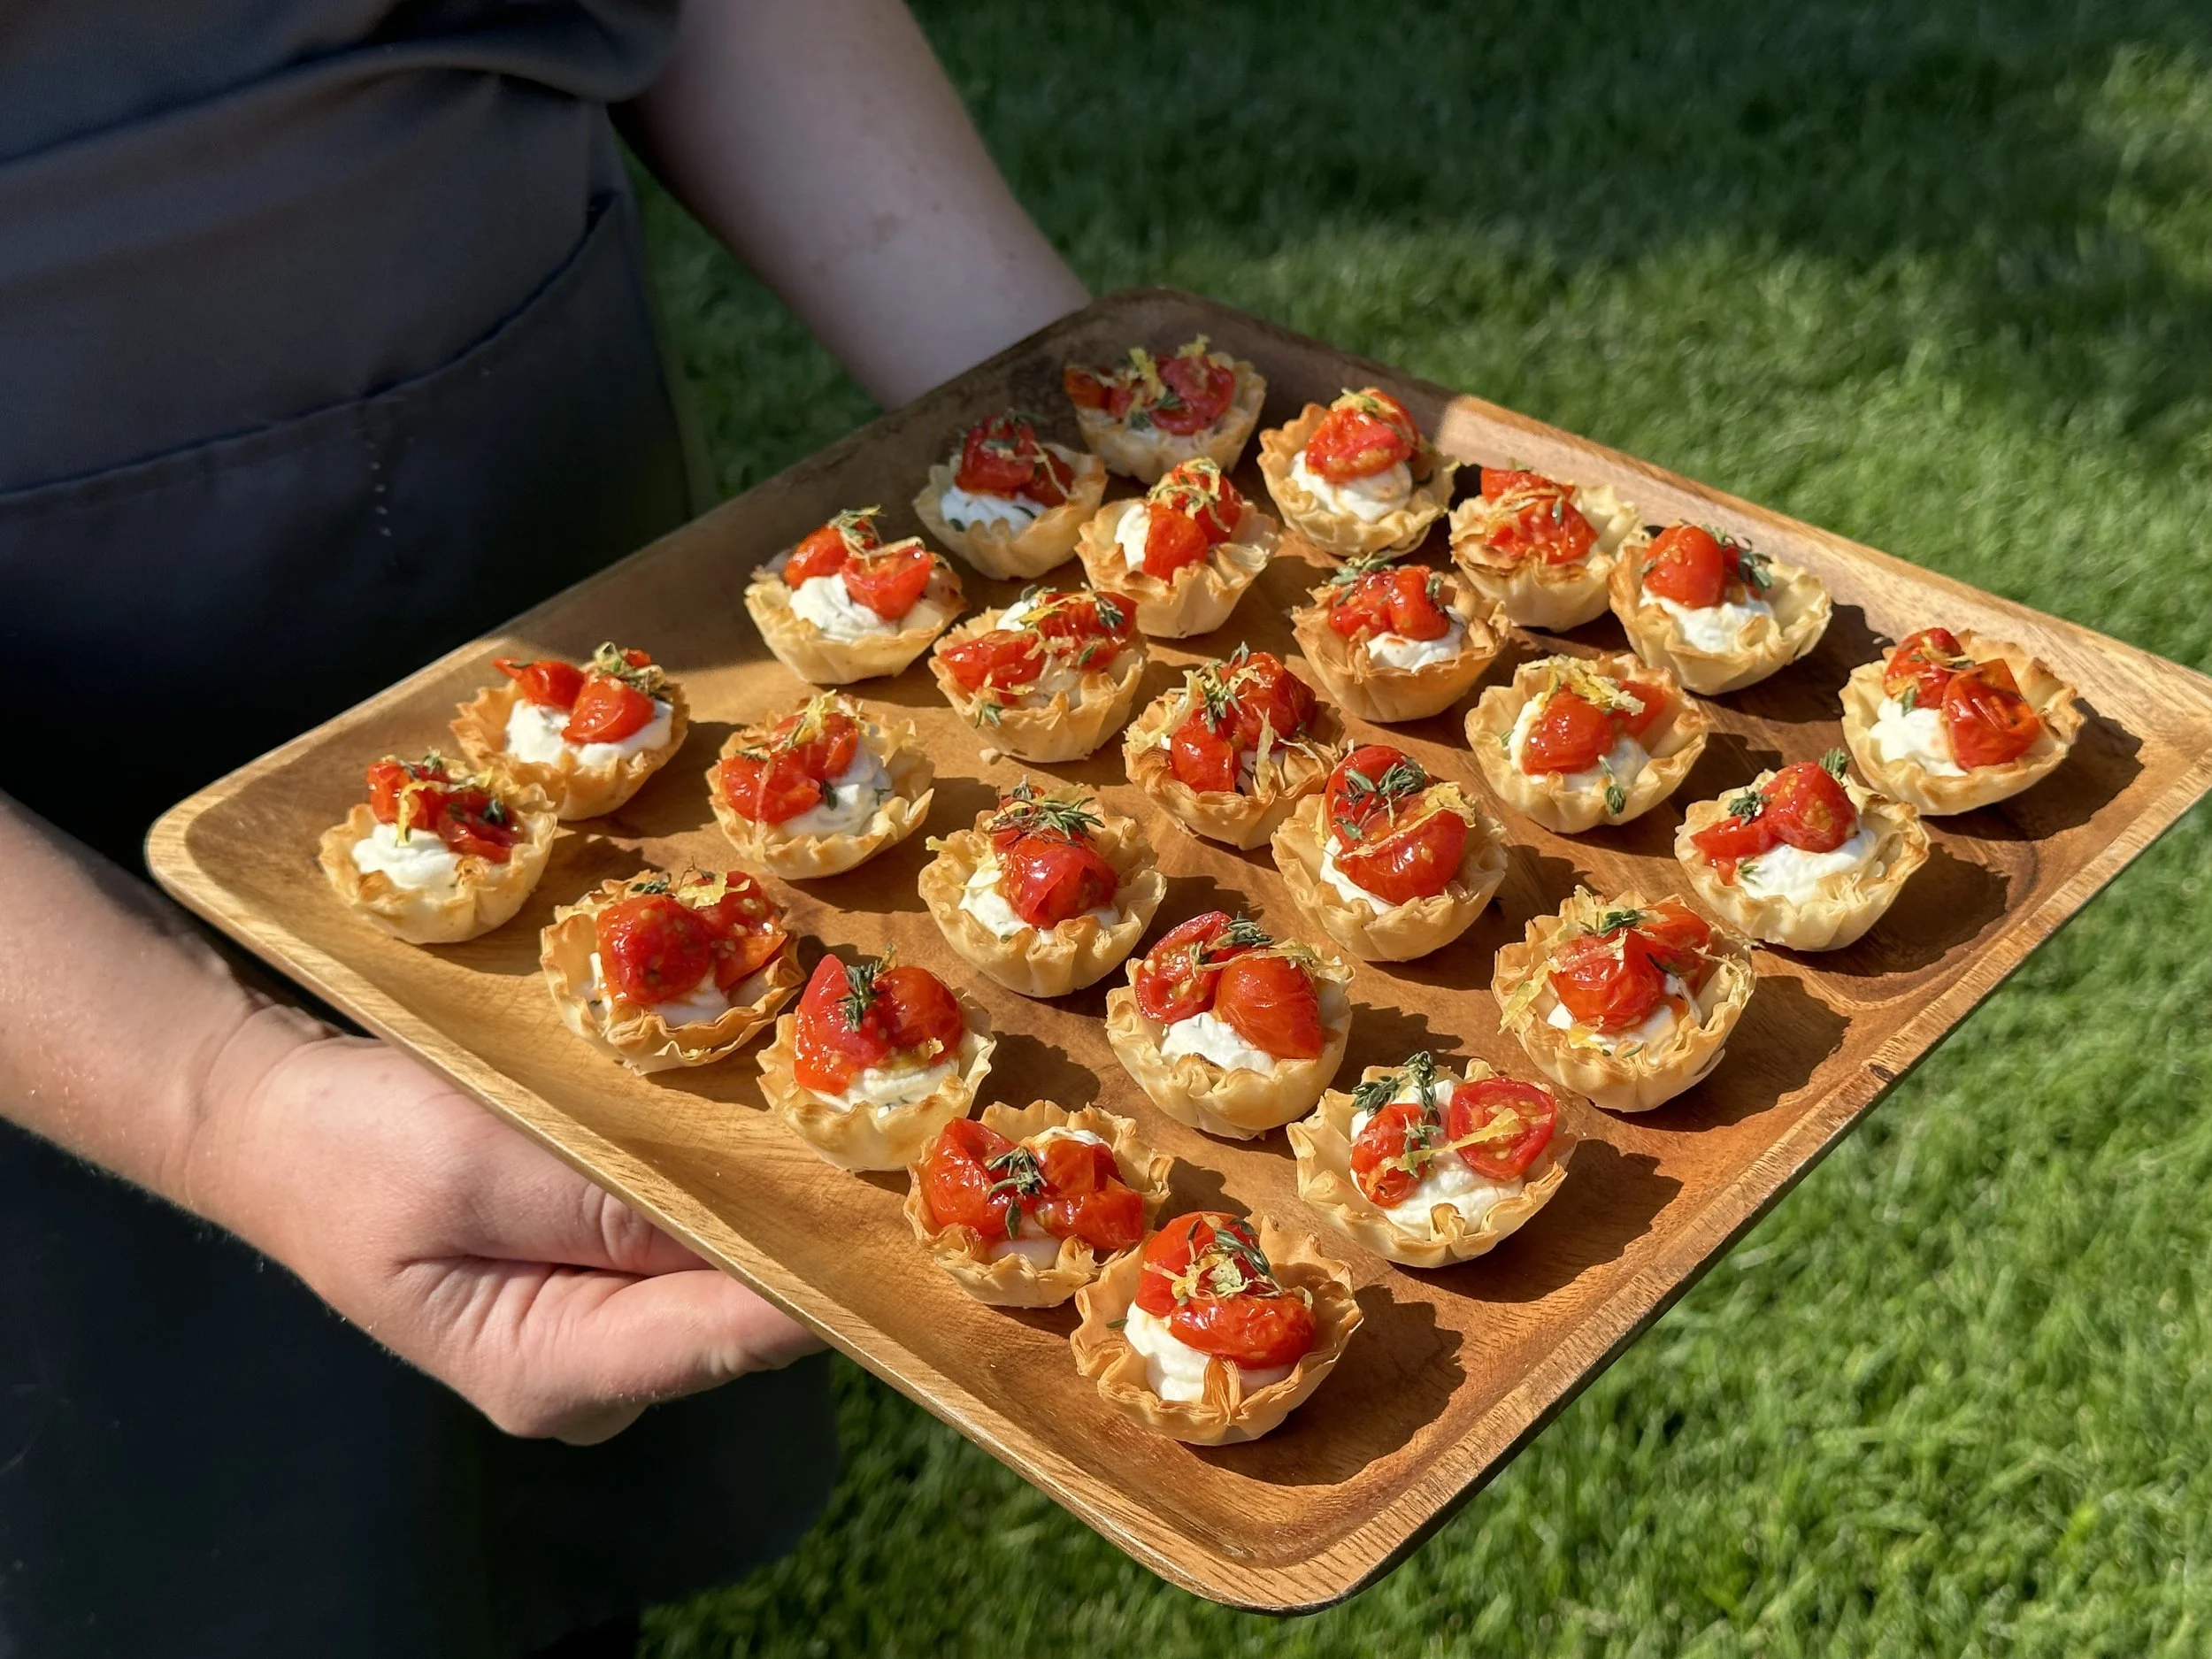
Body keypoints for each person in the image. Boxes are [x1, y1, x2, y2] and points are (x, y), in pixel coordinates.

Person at [0, 2, 1088, 1654]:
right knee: (206, 1541)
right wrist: (220, 1092)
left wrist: (1043, 386)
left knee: (563, 1537)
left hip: (559, 536)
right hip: (52, 933)